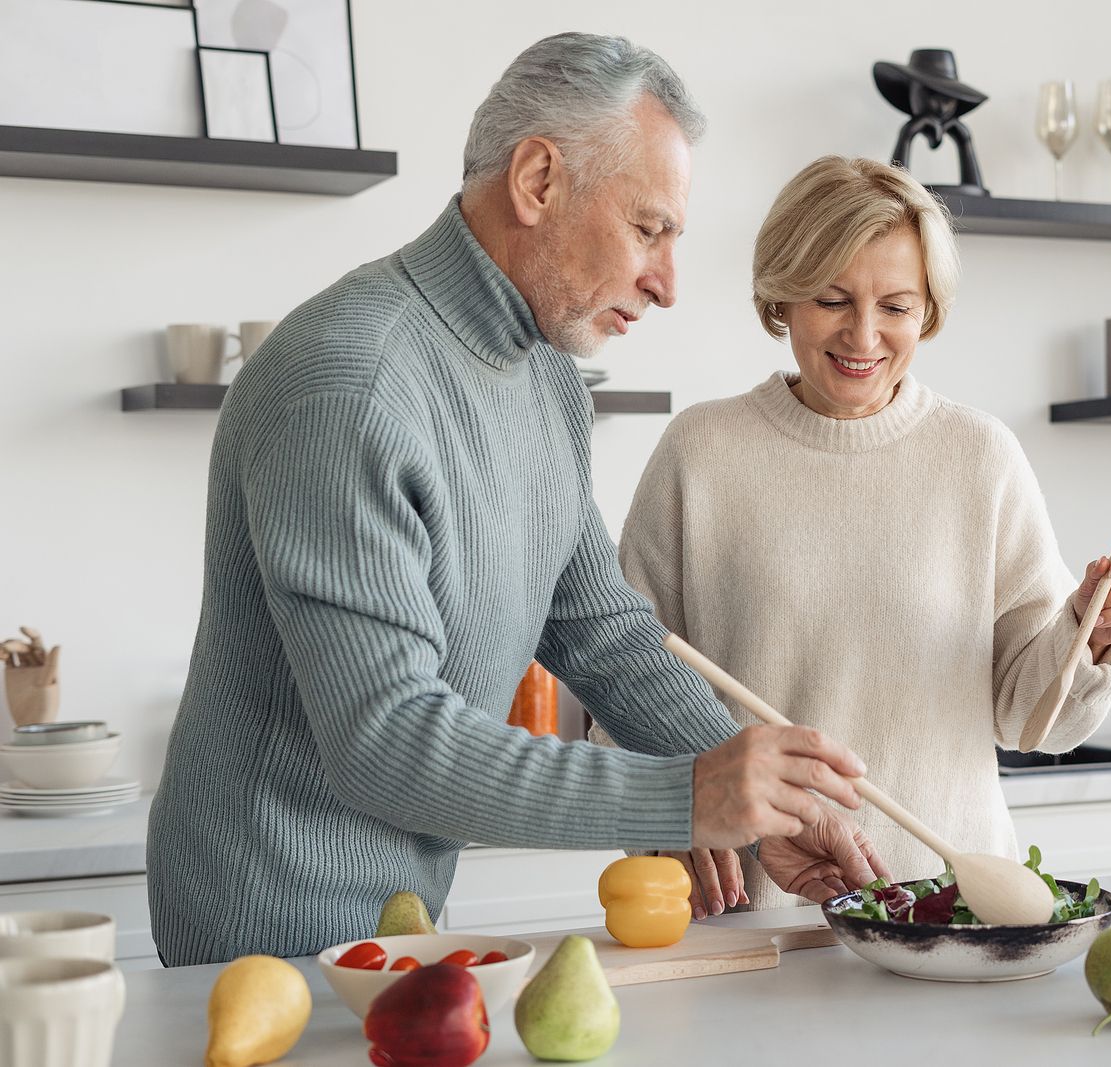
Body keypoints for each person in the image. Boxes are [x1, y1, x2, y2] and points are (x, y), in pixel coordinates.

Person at [146, 36, 883, 967]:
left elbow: (600, 631)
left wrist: (767, 808)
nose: (667, 283)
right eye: (649, 229)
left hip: (401, 912)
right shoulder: (350, 383)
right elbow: (384, 739)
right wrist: (685, 795)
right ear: (538, 180)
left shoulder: (546, 380)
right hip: (262, 926)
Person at [593, 156, 1111, 916]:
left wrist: (1089, 633)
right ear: (782, 297)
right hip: (759, 915)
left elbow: (1031, 718)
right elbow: (618, 680)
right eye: (831, 299)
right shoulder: (701, 452)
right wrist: (666, 812)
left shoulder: (980, 457)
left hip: (953, 912)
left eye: (896, 306)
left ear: (928, 310)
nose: (864, 335)